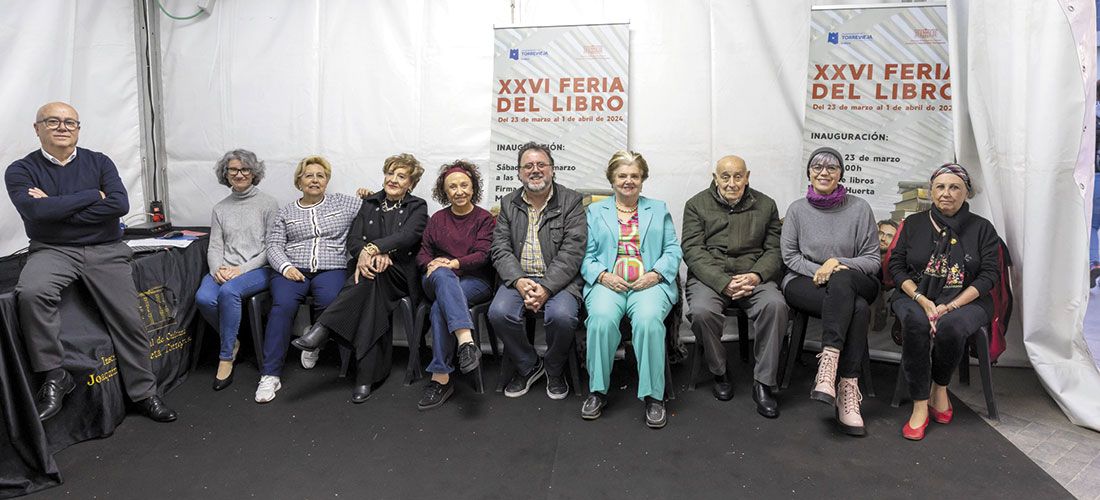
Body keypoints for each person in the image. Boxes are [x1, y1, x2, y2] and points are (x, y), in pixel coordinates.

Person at [4, 102, 176, 422]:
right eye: (52, 121)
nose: (62, 127)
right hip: (53, 250)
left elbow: (119, 205)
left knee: (129, 320)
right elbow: (36, 213)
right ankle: (55, 376)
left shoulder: (99, 162)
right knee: (31, 293)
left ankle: (144, 393)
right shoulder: (20, 169)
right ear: (37, 128)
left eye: (70, 122)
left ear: (78, 129)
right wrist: (91, 196)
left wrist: (56, 207)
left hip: (106, 249)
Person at [292, 154, 427, 403]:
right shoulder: (370, 203)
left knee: (370, 280)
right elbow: (354, 240)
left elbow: (408, 236)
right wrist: (365, 254)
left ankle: (324, 327)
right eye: (390, 174)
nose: (394, 180)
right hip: (369, 273)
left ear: (411, 184)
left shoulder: (417, 206)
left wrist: (374, 248)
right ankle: (365, 378)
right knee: (371, 295)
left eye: (401, 176)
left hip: (399, 274)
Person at [890, 164, 1000, 440]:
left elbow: (989, 276)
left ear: (967, 193)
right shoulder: (913, 224)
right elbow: (897, 267)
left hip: (967, 300)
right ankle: (918, 405)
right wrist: (921, 298)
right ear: (931, 191)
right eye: (940, 187)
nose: (946, 193)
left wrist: (951, 305)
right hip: (915, 295)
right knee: (915, 323)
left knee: (951, 326)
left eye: (954, 187)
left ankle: (939, 387)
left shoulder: (982, 229)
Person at [780, 147, 879, 436]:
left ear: (841, 174)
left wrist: (837, 265)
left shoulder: (860, 208)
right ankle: (848, 389)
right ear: (809, 173)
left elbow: (873, 260)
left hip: (855, 280)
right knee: (857, 308)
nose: (824, 172)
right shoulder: (797, 209)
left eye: (832, 167)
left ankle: (828, 367)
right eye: (817, 167)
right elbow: (790, 258)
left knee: (843, 281)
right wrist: (822, 271)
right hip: (804, 282)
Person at [580, 150, 682, 429]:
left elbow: (673, 249)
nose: (628, 181)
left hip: (647, 283)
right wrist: (602, 275)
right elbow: (585, 254)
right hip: (607, 283)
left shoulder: (658, 209)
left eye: (634, 176)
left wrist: (656, 274)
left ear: (642, 179)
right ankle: (597, 391)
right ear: (611, 180)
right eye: (622, 176)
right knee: (600, 319)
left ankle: (653, 397)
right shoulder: (595, 211)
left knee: (649, 322)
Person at [681, 155, 787, 418]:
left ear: (747, 176)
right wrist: (723, 282)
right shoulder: (696, 205)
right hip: (711, 278)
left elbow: (774, 250)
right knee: (702, 313)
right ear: (715, 178)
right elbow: (692, 250)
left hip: (753, 276)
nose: (731, 183)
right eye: (725, 176)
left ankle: (763, 382)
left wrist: (756, 276)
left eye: (738, 176)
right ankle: (719, 371)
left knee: (776, 306)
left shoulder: (766, 205)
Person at [256, 156, 363, 403]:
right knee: (282, 307)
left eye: (320, 176)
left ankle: (314, 341)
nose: (315, 180)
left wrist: (369, 195)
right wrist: (285, 267)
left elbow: (374, 210)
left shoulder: (344, 203)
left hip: (330, 267)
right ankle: (270, 374)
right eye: (309, 176)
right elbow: (273, 245)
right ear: (299, 182)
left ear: (327, 181)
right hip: (293, 269)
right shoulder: (286, 212)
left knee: (330, 303)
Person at [488, 141, 586, 400]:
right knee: (499, 313)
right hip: (519, 279)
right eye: (528, 166)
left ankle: (555, 369)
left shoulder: (571, 201)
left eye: (541, 164)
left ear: (553, 169)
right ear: (519, 173)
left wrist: (546, 287)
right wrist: (519, 281)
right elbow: (500, 248)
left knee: (562, 317)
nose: (535, 170)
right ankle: (530, 365)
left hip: (560, 281)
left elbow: (573, 251)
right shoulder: (508, 203)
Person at [195, 149, 278, 391]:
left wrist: (240, 270)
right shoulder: (220, 208)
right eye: (233, 169)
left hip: (257, 269)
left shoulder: (268, 204)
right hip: (224, 268)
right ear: (226, 174)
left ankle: (225, 358)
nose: (239, 174)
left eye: (245, 169)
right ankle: (232, 343)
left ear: (254, 173)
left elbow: (271, 249)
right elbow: (215, 246)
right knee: (203, 298)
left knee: (228, 292)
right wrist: (216, 270)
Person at [414, 161, 495, 410]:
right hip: (437, 279)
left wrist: (453, 263)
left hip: (476, 282)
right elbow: (422, 255)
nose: (459, 191)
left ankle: (441, 378)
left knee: (440, 307)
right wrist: (435, 263)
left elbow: (484, 255)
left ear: (473, 188)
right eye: (452, 187)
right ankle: (466, 343)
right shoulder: (437, 219)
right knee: (442, 275)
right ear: (444, 191)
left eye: (464, 185)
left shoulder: (484, 219)